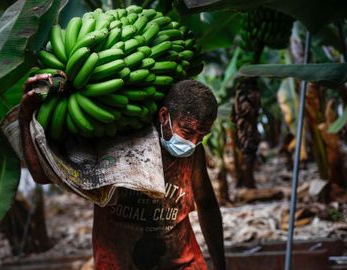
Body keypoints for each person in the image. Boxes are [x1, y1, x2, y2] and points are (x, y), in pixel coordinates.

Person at [20, 77, 226, 270]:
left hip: (182, 262)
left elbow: (206, 203)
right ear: (164, 116)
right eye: (188, 132)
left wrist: (220, 264)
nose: (193, 143)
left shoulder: (193, 152)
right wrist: (25, 116)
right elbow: (41, 175)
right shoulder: (117, 141)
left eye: (202, 136)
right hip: (118, 263)